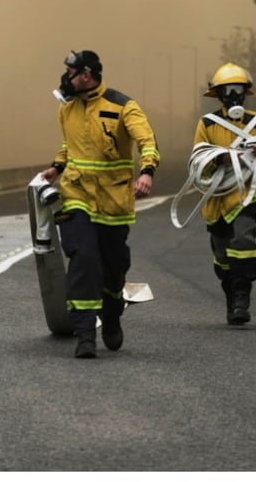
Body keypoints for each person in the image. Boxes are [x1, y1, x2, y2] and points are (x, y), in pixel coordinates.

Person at [40, 50, 159, 358]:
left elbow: (148, 141)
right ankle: (84, 333)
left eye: (70, 73)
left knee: (114, 266)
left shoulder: (123, 106)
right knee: (84, 258)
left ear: (87, 75)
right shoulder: (67, 110)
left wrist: (146, 172)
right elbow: (70, 144)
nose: (65, 78)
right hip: (76, 196)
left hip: (114, 202)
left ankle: (111, 314)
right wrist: (57, 166)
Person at [192, 63, 256, 325]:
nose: (233, 96)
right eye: (228, 91)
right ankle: (231, 294)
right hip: (216, 199)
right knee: (222, 256)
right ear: (219, 95)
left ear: (246, 93)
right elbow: (198, 158)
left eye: (238, 90)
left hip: (247, 195)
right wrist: (219, 160)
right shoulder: (207, 124)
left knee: (243, 240)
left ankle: (243, 294)